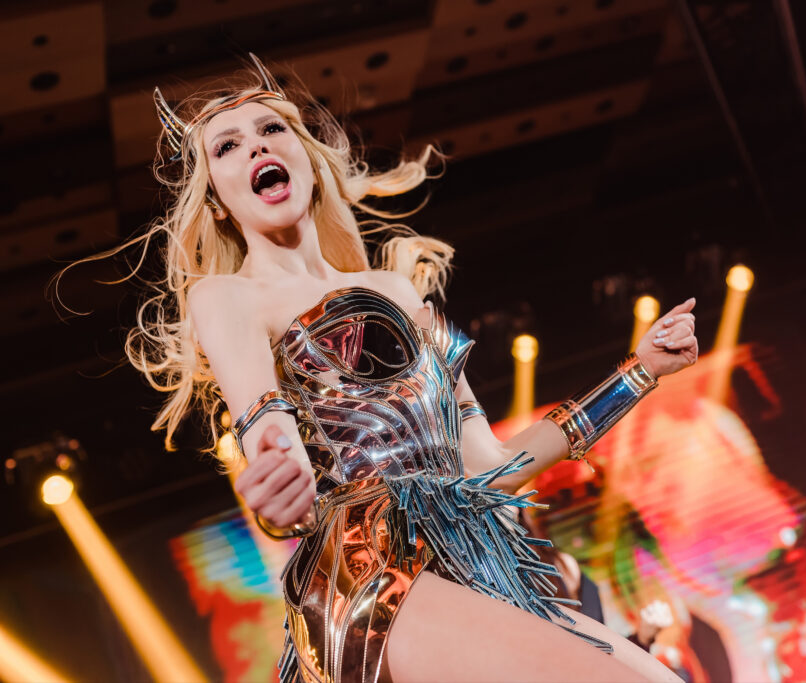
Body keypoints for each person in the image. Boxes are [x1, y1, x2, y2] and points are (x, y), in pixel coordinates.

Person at [97, 54, 700, 683]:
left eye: (272, 129)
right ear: (218, 201)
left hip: (480, 559)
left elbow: (490, 467)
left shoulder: (397, 291)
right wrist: (280, 497)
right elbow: (272, 447)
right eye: (228, 145)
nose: (256, 146)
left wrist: (641, 371)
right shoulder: (227, 297)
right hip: (370, 574)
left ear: (307, 160)